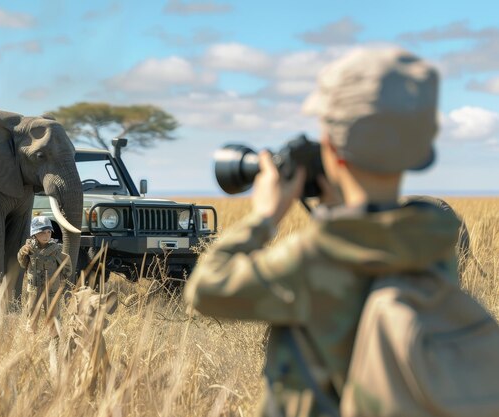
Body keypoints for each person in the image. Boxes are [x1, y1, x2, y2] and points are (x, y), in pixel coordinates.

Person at [184, 47, 462, 417]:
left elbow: (205, 290)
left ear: (332, 146)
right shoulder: (434, 243)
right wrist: (337, 206)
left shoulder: (314, 258)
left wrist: (265, 217)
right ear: (419, 151)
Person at [18, 216, 72, 333]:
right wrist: (22, 253)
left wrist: (61, 278)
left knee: (53, 315)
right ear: (34, 234)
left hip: (51, 288)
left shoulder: (56, 249)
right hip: (34, 288)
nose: (46, 235)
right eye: (42, 232)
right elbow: (23, 264)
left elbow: (67, 265)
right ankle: (31, 341)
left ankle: (55, 341)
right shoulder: (29, 248)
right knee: (32, 314)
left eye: (48, 232)